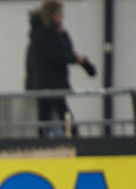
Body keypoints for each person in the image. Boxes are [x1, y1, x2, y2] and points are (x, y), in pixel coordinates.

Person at [24, 0, 96, 137]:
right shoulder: (43, 34)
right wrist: (76, 58)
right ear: (52, 14)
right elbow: (59, 54)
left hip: (48, 83)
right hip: (49, 83)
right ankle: (73, 139)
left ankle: (43, 140)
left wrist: (64, 35)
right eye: (60, 13)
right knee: (60, 113)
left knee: (46, 115)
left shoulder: (48, 33)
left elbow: (65, 51)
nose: (62, 16)